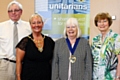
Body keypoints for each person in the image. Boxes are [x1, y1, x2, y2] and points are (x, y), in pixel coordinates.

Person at [16, 13, 55, 80]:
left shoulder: (49, 41)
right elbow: (18, 61)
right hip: (28, 77)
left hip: (46, 76)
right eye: (34, 23)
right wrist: (19, 78)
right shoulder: (25, 42)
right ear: (30, 25)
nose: (36, 25)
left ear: (42, 24)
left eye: (39, 22)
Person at [0, 1, 31, 80]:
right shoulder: (1, 27)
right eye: (10, 11)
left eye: (16, 10)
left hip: (24, 64)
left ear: (21, 12)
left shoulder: (29, 26)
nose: (13, 13)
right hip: (6, 65)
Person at [91, 12, 120, 80]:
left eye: (104, 21)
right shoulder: (95, 40)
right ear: (97, 24)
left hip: (111, 77)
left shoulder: (116, 38)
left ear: (109, 23)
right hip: (96, 77)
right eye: (99, 22)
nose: (102, 24)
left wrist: (118, 77)